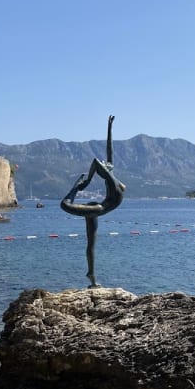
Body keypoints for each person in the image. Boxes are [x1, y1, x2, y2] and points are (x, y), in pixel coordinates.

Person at [60, 115, 126, 287]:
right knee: (65, 205)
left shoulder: (113, 181)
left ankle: (91, 275)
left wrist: (110, 128)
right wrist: (85, 182)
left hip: (97, 209)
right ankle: (75, 187)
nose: (105, 163)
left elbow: (105, 156)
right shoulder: (112, 182)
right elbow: (99, 161)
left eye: (106, 165)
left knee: (91, 244)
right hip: (97, 209)